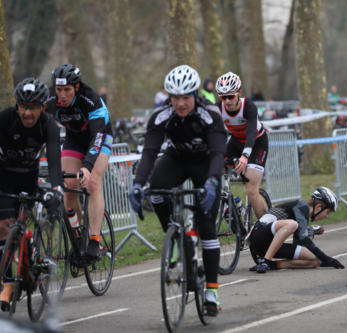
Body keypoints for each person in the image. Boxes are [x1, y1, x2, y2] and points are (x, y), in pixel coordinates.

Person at [128, 65, 226, 316]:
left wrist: (213, 182)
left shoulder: (210, 113)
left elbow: (218, 152)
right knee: (157, 189)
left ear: (195, 95)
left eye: (186, 98)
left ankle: (212, 291)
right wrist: (138, 184)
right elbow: (149, 152)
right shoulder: (162, 115)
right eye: (175, 98)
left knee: (207, 228)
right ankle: (174, 235)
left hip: (206, 163)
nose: (180, 104)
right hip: (178, 158)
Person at [0, 78, 62, 311]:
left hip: (28, 177)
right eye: (23, 106)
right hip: (3, 176)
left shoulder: (49, 126)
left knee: (23, 221)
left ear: (42, 108)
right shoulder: (5, 119)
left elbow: (55, 162)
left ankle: (35, 252)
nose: (27, 112)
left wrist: (57, 189)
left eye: (33, 107)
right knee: (4, 225)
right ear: (17, 106)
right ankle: (7, 284)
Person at [46, 64, 113, 259]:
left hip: (100, 136)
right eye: (59, 90)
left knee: (92, 183)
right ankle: (77, 236)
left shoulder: (90, 98)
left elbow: (98, 136)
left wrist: (87, 165)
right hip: (74, 138)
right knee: (68, 186)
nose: (62, 95)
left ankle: (94, 240)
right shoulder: (50, 99)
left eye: (67, 90)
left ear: (76, 87)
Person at [247, 187, 345, 273]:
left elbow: (298, 242)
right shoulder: (302, 206)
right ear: (319, 207)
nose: (327, 216)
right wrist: (328, 259)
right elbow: (304, 239)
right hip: (258, 235)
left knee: (315, 261)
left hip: (268, 246)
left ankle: (273, 265)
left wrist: (323, 260)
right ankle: (266, 262)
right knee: (292, 225)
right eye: (327, 212)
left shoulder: (304, 216)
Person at [216, 72, 269, 219]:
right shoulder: (218, 108)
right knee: (214, 170)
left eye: (231, 96)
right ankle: (234, 208)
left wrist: (245, 156)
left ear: (239, 93)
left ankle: (266, 227)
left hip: (257, 143)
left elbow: (251, 132)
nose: (227, 101)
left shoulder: (249, 106)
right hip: (236, 142)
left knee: (251, 190)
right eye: (223, 97)